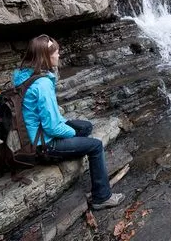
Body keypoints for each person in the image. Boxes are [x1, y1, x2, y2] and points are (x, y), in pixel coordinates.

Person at [12, 34, 125, 210]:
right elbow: (53, 127)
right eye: (55, 53)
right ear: (45, 57)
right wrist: (71, 132)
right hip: (44, 145)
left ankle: (77, 148)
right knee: (95, 146)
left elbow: (46, 116)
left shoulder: (23, 76)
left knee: (85, 126)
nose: (58, 56)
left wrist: (68, 125)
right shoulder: (41, 84)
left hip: (36, 134)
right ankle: (101, 198)